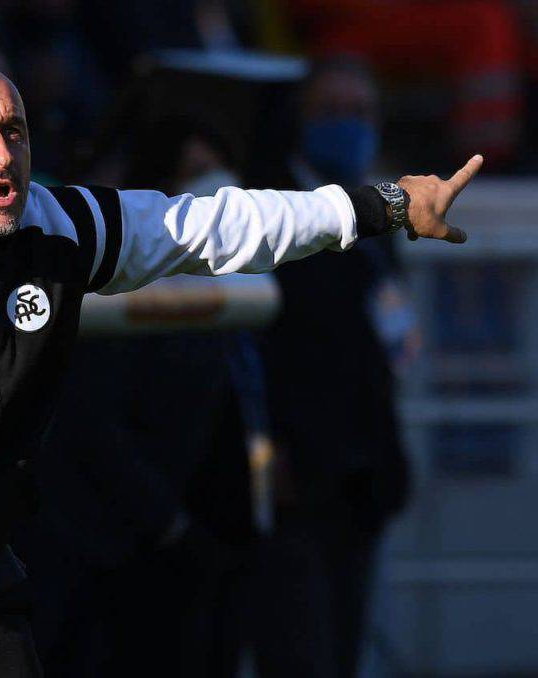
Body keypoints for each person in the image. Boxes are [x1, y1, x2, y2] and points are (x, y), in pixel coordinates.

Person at [0, 59, 481, 677]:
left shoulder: (61, 226)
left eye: (13, 129)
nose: (1, 152)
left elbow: (216, 227)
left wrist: (384, 204)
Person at [248, 57, 415, 678]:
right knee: (300, 655)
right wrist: (266, 453)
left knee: (343, 650)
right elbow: (253, 351)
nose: (348, 126)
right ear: (299, 121)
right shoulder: (266, 216)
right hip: (291, 483)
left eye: (360, 112)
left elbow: (386, 345)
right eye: (331, 112)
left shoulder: (380, 217)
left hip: (361, 479)